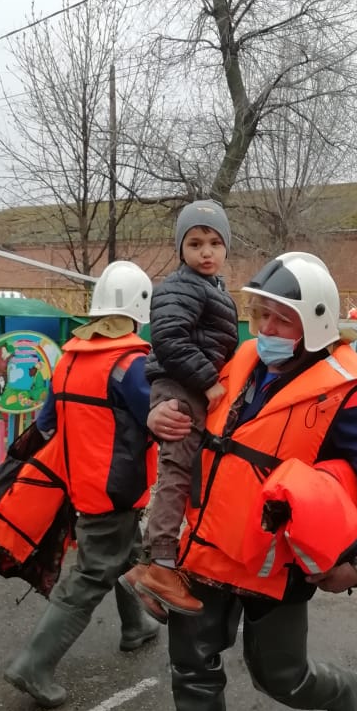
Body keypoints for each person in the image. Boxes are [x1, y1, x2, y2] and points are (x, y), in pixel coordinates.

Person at [136, 252, 357, 711]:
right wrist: (157, 413)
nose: (264, 330)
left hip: (274, 563)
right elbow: (179, 399)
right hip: (206, 549)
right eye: (261, 316)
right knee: (190, 663)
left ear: (313, 322)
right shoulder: (237, 361)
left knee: (280, 677)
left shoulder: (348, 394)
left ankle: (342, 691)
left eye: (279, 319)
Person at [3, 260, 162, 709]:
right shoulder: (131, 364)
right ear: (138, 309)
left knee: (125, 552)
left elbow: (47, 423)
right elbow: (158, 422)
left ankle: (137, 627)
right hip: (118, 487)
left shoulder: (70, 358)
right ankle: (34, 664)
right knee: (93, 572)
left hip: (82, 487)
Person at [120, 199, 238, 616]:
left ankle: (148, 567)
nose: (206, 252)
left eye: (214, 243)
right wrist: (207, 382)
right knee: (177, 471)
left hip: (185, 384)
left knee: (183, 470)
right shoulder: (180, 286)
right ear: (181, 249)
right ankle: (163, 565)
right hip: (183, 387)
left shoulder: (210, 289)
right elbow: (169, 339)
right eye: (195, 244)